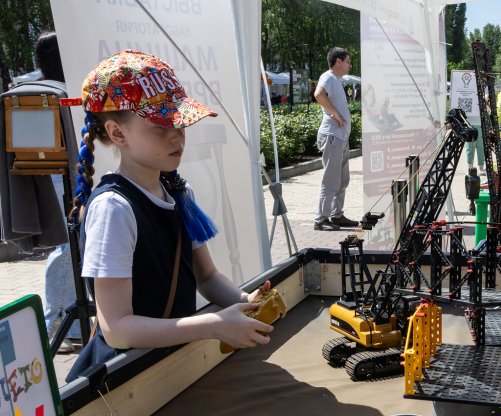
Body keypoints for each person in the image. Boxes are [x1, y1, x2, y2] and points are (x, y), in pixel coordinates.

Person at [65, 50, 274, 381]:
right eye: (161, 125)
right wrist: (213, 325)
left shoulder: (178, 191)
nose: (176, 134)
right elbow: (117, 329)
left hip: (172, 368)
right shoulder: (113, 210)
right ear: (118, 133)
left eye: (179, 121)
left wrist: (247, 301)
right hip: (127, 379)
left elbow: (207, 276)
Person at [31, 32, 81, 351]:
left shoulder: (55, 90)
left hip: (66, 175)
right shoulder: (48, 94)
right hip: (61, 176)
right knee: (68, 245)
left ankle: (70, 326)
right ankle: (56, 322)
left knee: (74, 244)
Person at [313, 47, 358, 231]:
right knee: (331, 180)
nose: (349, 65)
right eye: (347, 61)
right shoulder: (328, 77)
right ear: (338, 61)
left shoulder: (336, 80)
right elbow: (318, 94)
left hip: (340, 137)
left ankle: (336, 215)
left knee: (342, 179)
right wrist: (335, 114)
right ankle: (321, 219)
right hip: (332, 136)